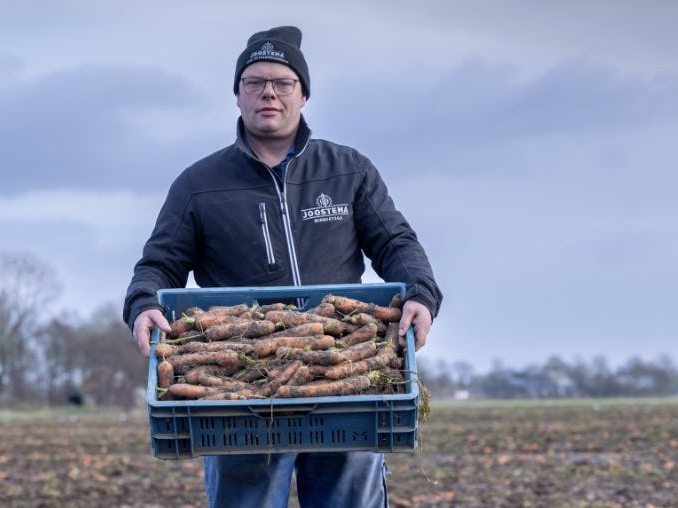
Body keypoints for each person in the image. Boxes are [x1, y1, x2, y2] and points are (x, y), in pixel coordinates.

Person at [123, 25, 442, 508]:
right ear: (237, 96)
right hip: (242, 392)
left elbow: (396, 242)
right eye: (254, 82)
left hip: (345, 383)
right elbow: (158, 264)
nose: (268, 92)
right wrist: (144, 302)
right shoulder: (198, 184)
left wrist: (420, 292)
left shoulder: (348, 169)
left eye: (282, 82)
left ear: (303, 94)